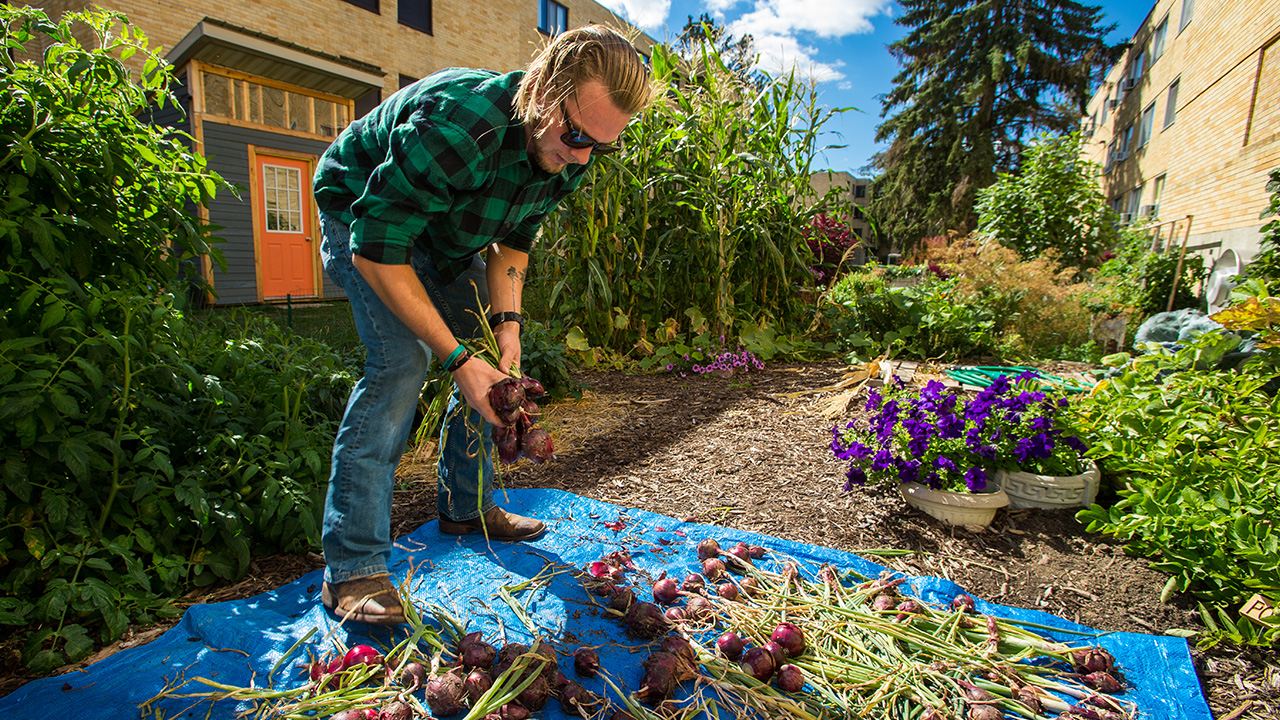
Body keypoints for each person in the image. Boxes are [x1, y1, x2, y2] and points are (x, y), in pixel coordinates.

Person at [311, 25, 653, 624]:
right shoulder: (462, 126)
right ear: (544, 90)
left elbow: (512, 245)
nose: (581, 157)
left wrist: (507, 334)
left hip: (444, 235)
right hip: (363, 221)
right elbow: (378, 245)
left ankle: (465, 507)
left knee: (493, 369)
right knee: (403, 361)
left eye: (600, 146)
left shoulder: (569, 152)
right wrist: (455, 360)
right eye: (575, 135)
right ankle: (353, 568)